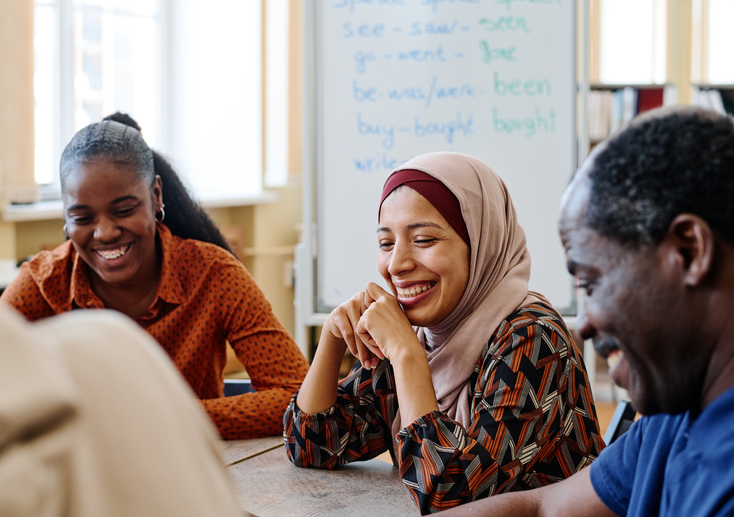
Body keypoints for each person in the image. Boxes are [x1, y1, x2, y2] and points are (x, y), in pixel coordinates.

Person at [435, 106, 734, 517]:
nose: (585, 322)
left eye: (592, 283)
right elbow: (543, 507)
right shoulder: (673, 418)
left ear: (688, 252)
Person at [283, 152, 604, 514]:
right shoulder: (425, 332)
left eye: (423, 240)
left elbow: (450, 497)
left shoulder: (532, 337)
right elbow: (311, 445)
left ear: (481, 242)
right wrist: (331, 337)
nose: (397, 265)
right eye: (386, 244)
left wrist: (407, 357)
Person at [0, 113, 309, 439]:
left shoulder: (215, 275)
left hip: (188, 473)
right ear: (65, 216)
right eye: (82, 217)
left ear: (155, 196)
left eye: (123, 210)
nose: (104, 232)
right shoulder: (40, 286)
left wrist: (167, 418)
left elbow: (298, 397)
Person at [0, 295, 245, 516]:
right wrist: (168, 412)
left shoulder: (215, 273)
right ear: (67, 232)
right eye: (83, 228)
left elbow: (284, 387)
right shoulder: (110, 333)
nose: (105, 233)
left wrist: (176, 412)